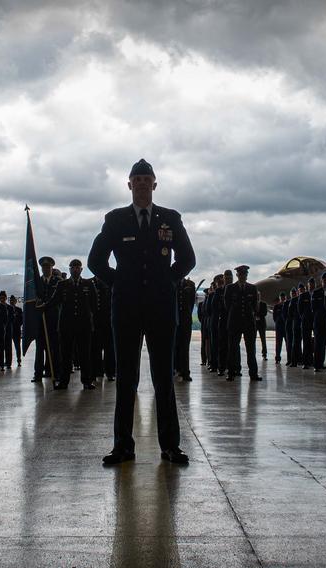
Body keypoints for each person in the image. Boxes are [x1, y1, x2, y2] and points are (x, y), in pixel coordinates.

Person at [88, 158, 195, 465]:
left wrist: (168, 281)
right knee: (125, 379)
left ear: (155, 185)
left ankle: (170, 446)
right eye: (137, 180)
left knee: (163, 378)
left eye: (148, 179)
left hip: (161, 308)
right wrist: (118, 282)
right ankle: (123, 446)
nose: (143, 184)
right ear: (129, 185)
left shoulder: (170, 219)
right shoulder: (116, 219)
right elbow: (96, 260)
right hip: (127, 308)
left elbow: (188, 258)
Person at [42, 259, 96, 389]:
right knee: (65, 355)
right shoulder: (63, 284)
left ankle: (87, 381)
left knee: (85, 355)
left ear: (81, 269)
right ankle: (63, 381)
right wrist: (42, 307)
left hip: (84, 326)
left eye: (78, 267)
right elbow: (54, 301)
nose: (75, 269)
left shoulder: (88, 284)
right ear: (70, 269)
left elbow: (94, 304)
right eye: (73, 267)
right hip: (66, 326)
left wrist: (90, 318)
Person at [224, 265, 262, 381]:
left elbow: (255, 306)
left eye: (244, 275)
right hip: (234, 322)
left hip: (248, 323)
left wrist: (251, 314)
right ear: (237, 275)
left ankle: (253, 373)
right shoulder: (230, 288)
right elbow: (227, 305)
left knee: (251, 349)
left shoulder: (252, 288)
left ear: (246, 275)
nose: (243, 277)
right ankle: (231, 373)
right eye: (241, 275)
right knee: (232, 349)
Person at [33, 257, 60, 383]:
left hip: (54, 320)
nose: (46, 269)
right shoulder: (37, 282)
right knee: (40, 348)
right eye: (44, 267)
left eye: (48, 267)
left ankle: (53, 372)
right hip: (40, 320)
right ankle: (38, 374)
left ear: (52, 268)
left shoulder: (58, 281)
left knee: (54, 348)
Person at [91, 277, 115, 380]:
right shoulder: (90, 283)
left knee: (109, 348)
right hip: (95, 321)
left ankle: (110, 372)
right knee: (96, 347)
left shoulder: (110, 282)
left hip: (108, 321)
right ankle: (98, 371)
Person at [175, 277, 196, 381]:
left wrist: (186, 315)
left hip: (185, 320)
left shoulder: (191, 285)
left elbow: (191, 304)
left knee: (184, 347)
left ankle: (185, 372)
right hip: (174, 320)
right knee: (173, 346)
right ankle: (175, 368)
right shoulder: (172, 281)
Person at [312, 273, 326, 371]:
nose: (325, 282)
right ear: (321, 282)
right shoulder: (316, 293)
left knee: (324, 345)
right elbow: (313, 308)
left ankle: (321, 363)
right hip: (318, 322)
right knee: (318, 344)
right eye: (324, 281)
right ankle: (316, 365)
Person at [298, 280, 315, 369]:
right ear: (307, 286)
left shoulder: (318, 294)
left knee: (317, 342)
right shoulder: (303, 296)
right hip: (306, 322)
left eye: (313, 284)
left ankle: (314, 361)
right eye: (310, 284)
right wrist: (305, 317)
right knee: (306, 342)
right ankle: (306, 362)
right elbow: (300, 309)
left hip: (315, 321)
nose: (311, 286)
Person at [9, 294, 23, 367]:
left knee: (17, 347)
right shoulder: (7, 308)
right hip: (9, 330)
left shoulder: (19, 310)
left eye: (13, 300)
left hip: (16, 330)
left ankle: (19, 360)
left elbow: (22, 320)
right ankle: (8, 362)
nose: (12, 302)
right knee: (8, 347)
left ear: (15, 301)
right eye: (10, 301)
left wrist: (17, 324)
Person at [272, 293, 286, 364]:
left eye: (283, 297)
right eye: (281, 297)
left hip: (286, 327)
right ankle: (277, 358)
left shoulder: (287, 305)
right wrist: (277, 322)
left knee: (288, 344)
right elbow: (274, 317)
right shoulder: (276, 306)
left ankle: (290, 358)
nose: (282, 299)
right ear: (280, 298)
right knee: (278, 344)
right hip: (279, 328)